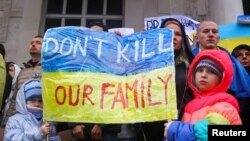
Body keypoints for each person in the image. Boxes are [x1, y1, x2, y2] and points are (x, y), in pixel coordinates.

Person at [133, 18, 194, 141]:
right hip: (151, 126)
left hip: (182, 125)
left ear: (183, 39)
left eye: (177, 34)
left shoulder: (191, 65)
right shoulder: (147, 63)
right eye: (168, 33)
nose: (173, 37)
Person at [164, 50, 242, 141]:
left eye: (211, 72)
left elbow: (208, 133)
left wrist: (174, 130)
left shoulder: (225, 103)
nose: (203, 75)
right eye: (200, 70)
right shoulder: (190, 105)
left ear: (221, 78)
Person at [192, 20, 250, 126]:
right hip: (196, 114)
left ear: (218, 37)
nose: (211, 34)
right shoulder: (189, 60)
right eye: (206, 31)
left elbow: (243, 93)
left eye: (214, 32)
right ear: (196, 38)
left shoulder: (232, 62)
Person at [70, 22, 121, 141]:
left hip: (107, 131)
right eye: (91, 33)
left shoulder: (116, 61)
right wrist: (74, 124)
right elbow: (70, 92)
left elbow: (117, 94)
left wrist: (101, 123)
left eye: (99, 34)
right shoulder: (75, 62)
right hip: (80, 130)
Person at [0, 35, 43, 127]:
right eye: (32, 43)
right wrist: (6, 123)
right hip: (18, 123)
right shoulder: (22, 72)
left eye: (38, 43)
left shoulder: (49, 70)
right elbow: (14, 99)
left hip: (39, 123)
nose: (33, 44)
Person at [0, 62, 21, 127]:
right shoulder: (5, 87)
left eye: (11, 70)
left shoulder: (19, 88)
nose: (9, 73)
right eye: (8, 70)